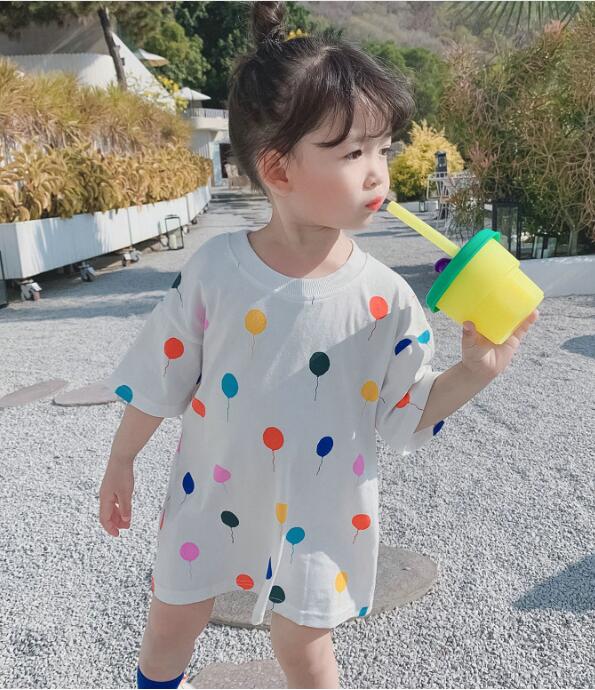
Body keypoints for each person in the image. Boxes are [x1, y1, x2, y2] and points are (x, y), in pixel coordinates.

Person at [98, 2, 539, 688]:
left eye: (383, 149)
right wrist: (122, 459)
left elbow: (403, 411)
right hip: (209, 493)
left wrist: (477, 370)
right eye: (352, 153)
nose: (377, 173)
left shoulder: (385, 297)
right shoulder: (216, 272)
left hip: (323, 512)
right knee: (169, 627)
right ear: (278, 171)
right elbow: (161, 375)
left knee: (305, 651)